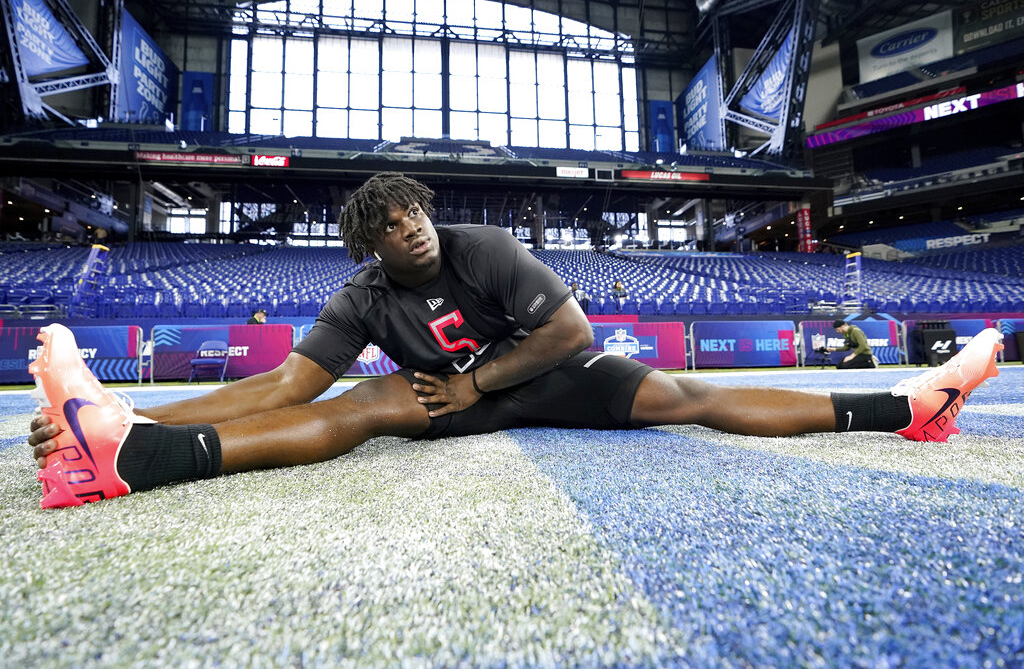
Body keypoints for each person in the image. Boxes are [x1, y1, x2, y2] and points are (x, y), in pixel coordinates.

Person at [26, 172, 1005, 509]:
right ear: (369, 243)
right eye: (390, 223)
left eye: (413, 213)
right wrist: (139, 408)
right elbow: (284, 386)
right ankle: (139, 449)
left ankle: (910, 404)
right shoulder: (363, 295)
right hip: (446, 396)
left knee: (687, 397)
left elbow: (571, 329)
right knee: (361, 402)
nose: (410, 227)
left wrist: (477, 381)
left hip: (545, 371)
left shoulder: (483, 244)